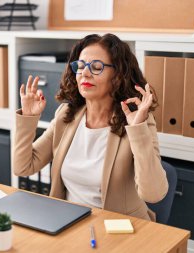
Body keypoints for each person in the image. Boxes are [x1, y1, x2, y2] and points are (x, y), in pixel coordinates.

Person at [13, 33, 168, 221]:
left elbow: (154, 194)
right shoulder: (67, 115)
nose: (84, 73)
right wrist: (28, 118)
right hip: (68, 223)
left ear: (118, 75)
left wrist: (137, 130)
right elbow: (23, 167)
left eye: (96, 67)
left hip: (119, 231)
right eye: (80, 66)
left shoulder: (138, 120)